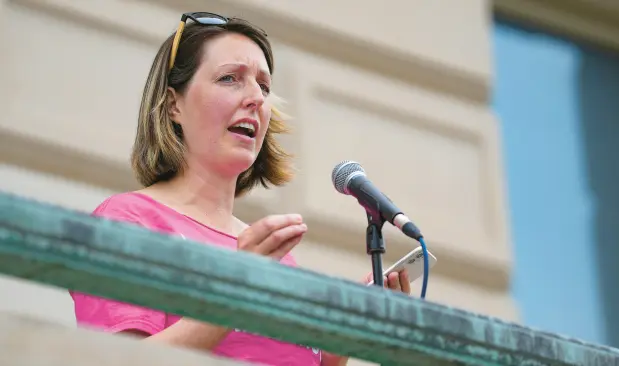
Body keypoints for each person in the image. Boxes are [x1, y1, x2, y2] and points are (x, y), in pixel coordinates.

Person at [70, 11, 411, 366]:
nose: (256, 99)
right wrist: (235, 291)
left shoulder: (274, 255)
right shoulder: (128, 220)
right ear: (173, 104)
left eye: (263, 86)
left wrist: (345, 338)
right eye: (230, 78)